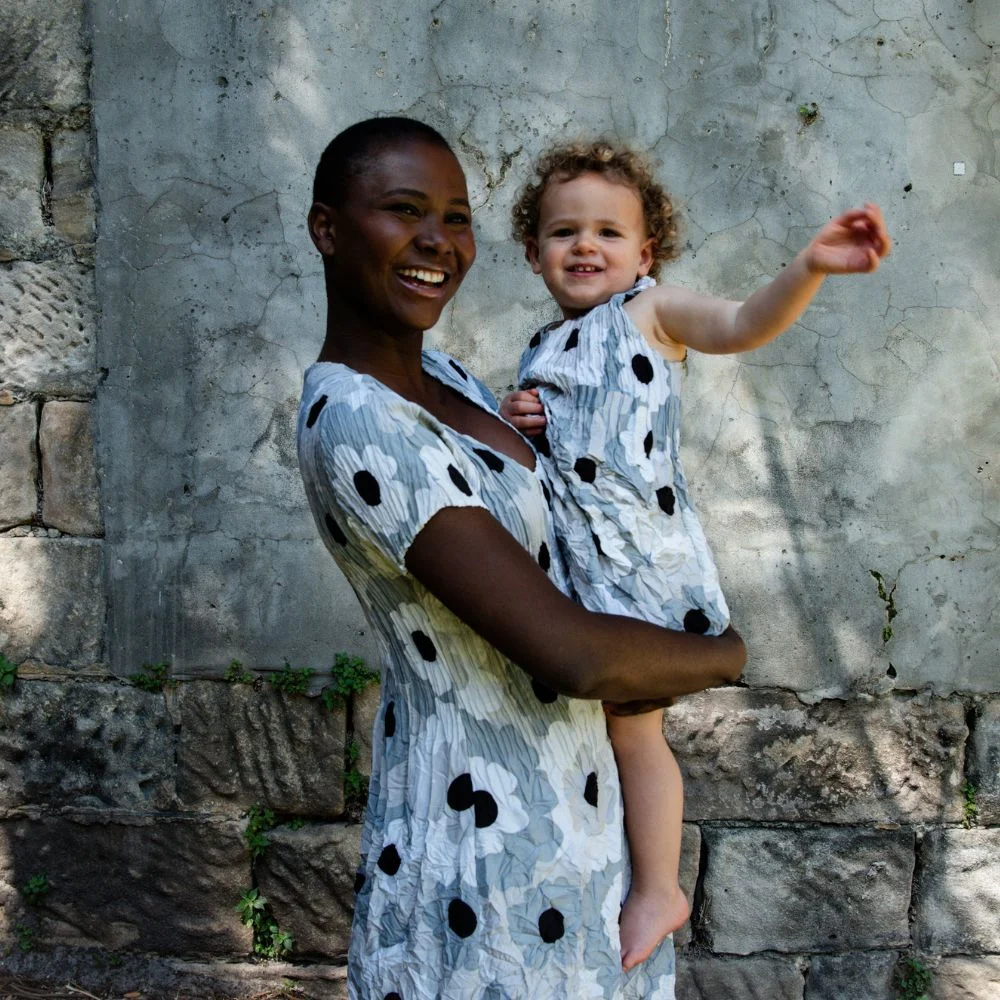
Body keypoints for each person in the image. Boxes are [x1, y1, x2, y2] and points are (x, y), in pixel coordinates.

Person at [297, 118, 746, 999]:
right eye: (403, 210)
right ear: (329, 228)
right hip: (479, 845)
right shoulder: (357, 420)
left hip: (582, 821)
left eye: (456, 217)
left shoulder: (458, 382)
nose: (436, 240)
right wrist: (727, 656)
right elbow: (569, 651)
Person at [499, 140, 891, 970]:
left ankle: (657, 889)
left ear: (645, 256)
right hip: (577, 575)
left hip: (637, 572)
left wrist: (810, 267)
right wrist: (518, 417)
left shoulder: (652, 313)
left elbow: (744, 323)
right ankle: (613, 870)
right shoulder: (542, 348)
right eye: (563, 232)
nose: (585, 246)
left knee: (637, 736)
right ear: (533, 254)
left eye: (609, 232)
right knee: (595, 730)